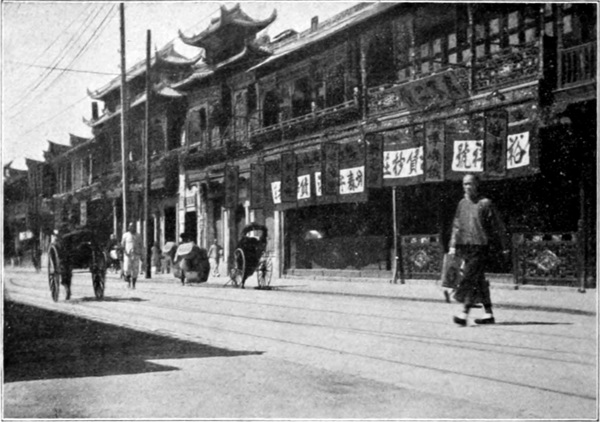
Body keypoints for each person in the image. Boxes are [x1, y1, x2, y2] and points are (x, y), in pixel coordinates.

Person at [448, 174, 508, 326]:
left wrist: (504, 246)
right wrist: (453, 245)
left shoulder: (485, 203)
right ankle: (488, 314)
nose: (467, 187)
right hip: (465, 246)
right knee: (479, 280)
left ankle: (464, 313)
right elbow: (456, 226)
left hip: (481, 245)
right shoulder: (462, 204)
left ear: (477, 185)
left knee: (470, 277)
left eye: (470, 184)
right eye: (465, 184)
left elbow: (498, 226)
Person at [121, 223, 143, 289]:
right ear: (128, 227)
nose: (132, 228)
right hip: (128, 255)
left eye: (133, 227)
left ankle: (133, 284)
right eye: (130, 227)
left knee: (135, 270)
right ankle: (128, 282)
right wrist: (124, 252)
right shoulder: (125, 235)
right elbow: (122, 245)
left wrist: (141, 254)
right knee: (127, 269)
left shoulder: (138, 235)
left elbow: (141, 245)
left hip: (136, 254)